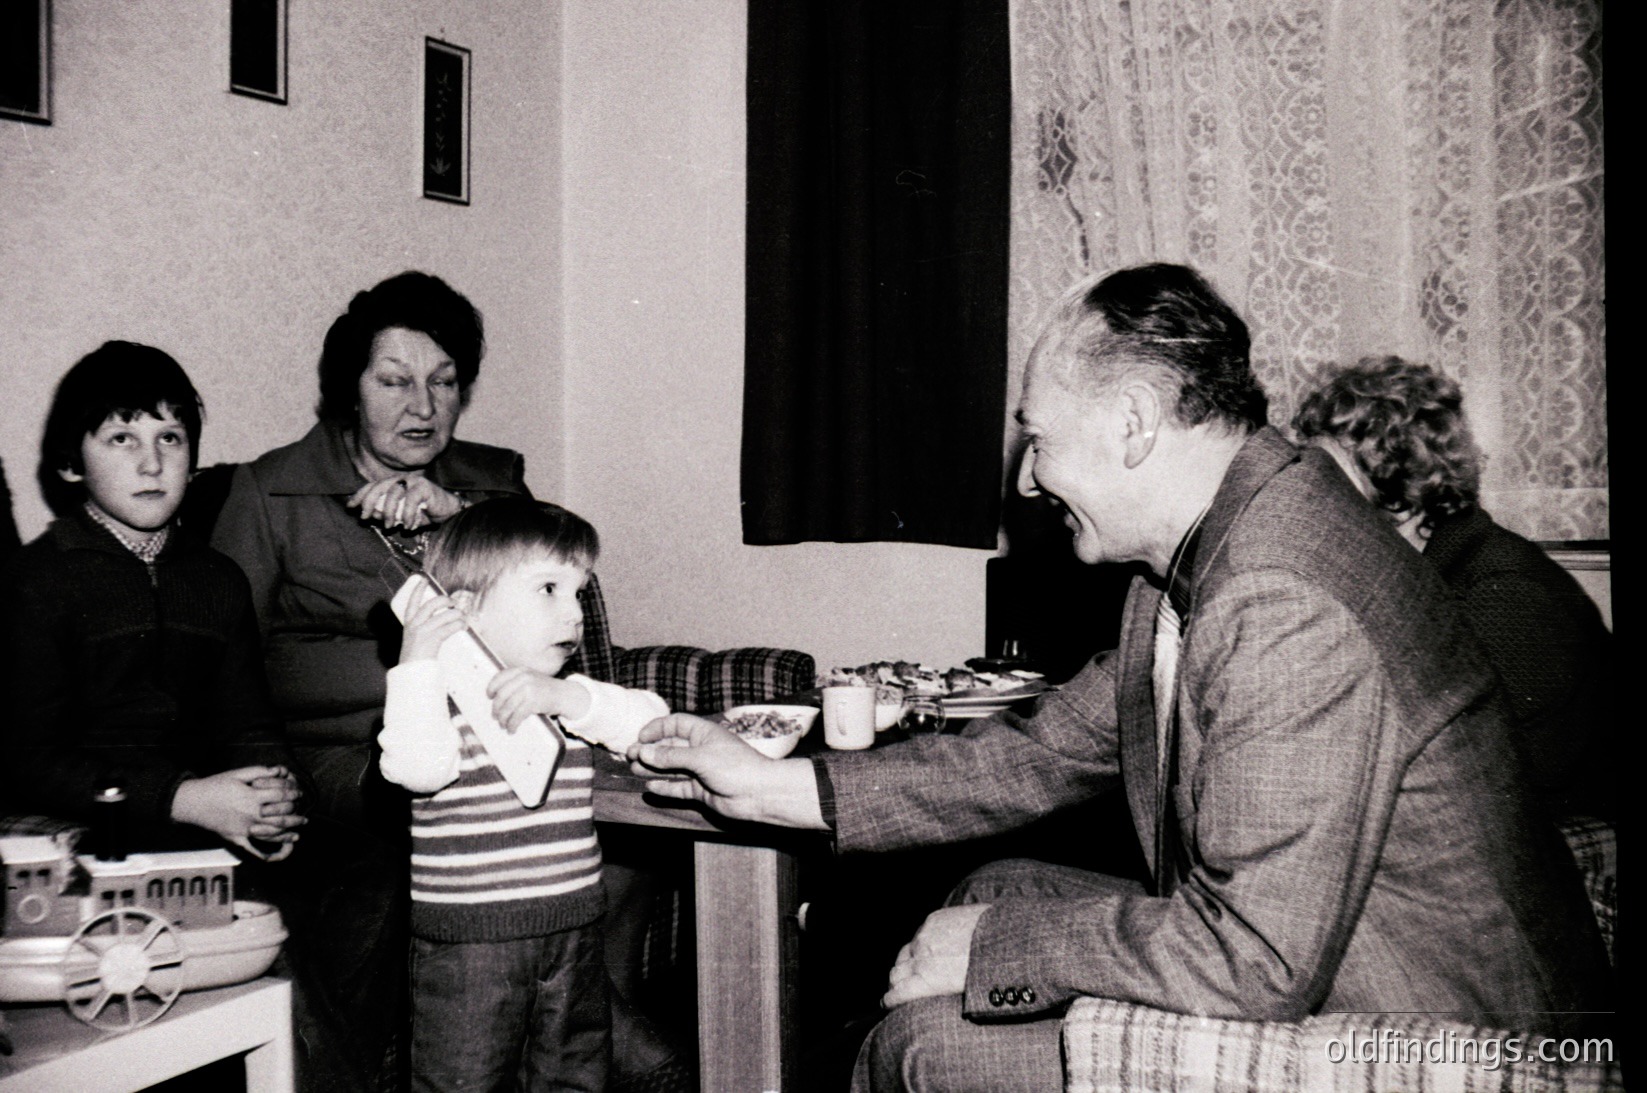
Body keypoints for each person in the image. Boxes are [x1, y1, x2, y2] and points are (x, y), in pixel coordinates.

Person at [627, 264, 1610, 1091]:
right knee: (989, 889)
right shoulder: (1204, 547)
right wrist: (767, 784)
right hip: (1340, 959)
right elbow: (1035, 754)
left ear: (1134, 421)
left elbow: (1254, 958)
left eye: (1039, 437)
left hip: (1445, 1037)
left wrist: (991, 951)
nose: (1026, 479)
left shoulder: (1282, 594)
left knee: (920, 1045)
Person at [210, 271, 526, 1092]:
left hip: (487, 735)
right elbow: (221, 661)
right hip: (339, 756)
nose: (422, 406)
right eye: (394, 381)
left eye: (444, 382)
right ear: (350, 389)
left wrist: (460, 520)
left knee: (603, 843)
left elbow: (545, 613)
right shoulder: (270, 490)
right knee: (423, 817)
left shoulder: (491, 484)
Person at [380, 497, 669, 1092]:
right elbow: (416, 769)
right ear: (464, 611)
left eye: (579, 593)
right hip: (471, 943)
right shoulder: (435, 702)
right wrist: (417, 665)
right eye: (548, 590)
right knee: (462, 1080)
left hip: (574, 930)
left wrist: (573, 699)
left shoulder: (564, 697)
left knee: (576, 1074)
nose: (574, 614)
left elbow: (650, 724)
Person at [1, 341, 303, 857]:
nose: (152, 464)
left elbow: (248, 723)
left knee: (364, 869)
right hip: (88, 821)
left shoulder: (218, 579)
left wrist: (275, 792)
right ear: (72, 463)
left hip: (205, 813)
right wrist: (181, 799)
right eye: (122, 439)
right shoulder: (36, 581)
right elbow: (31, 761)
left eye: (170, 438)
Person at [1292, 356, 1614, 820]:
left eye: (1331, 482)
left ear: (1402, 492)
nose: (1310, 498)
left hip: (1566, 836)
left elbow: (1478, 787)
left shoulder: (1507, 596)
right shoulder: (1408, 570)